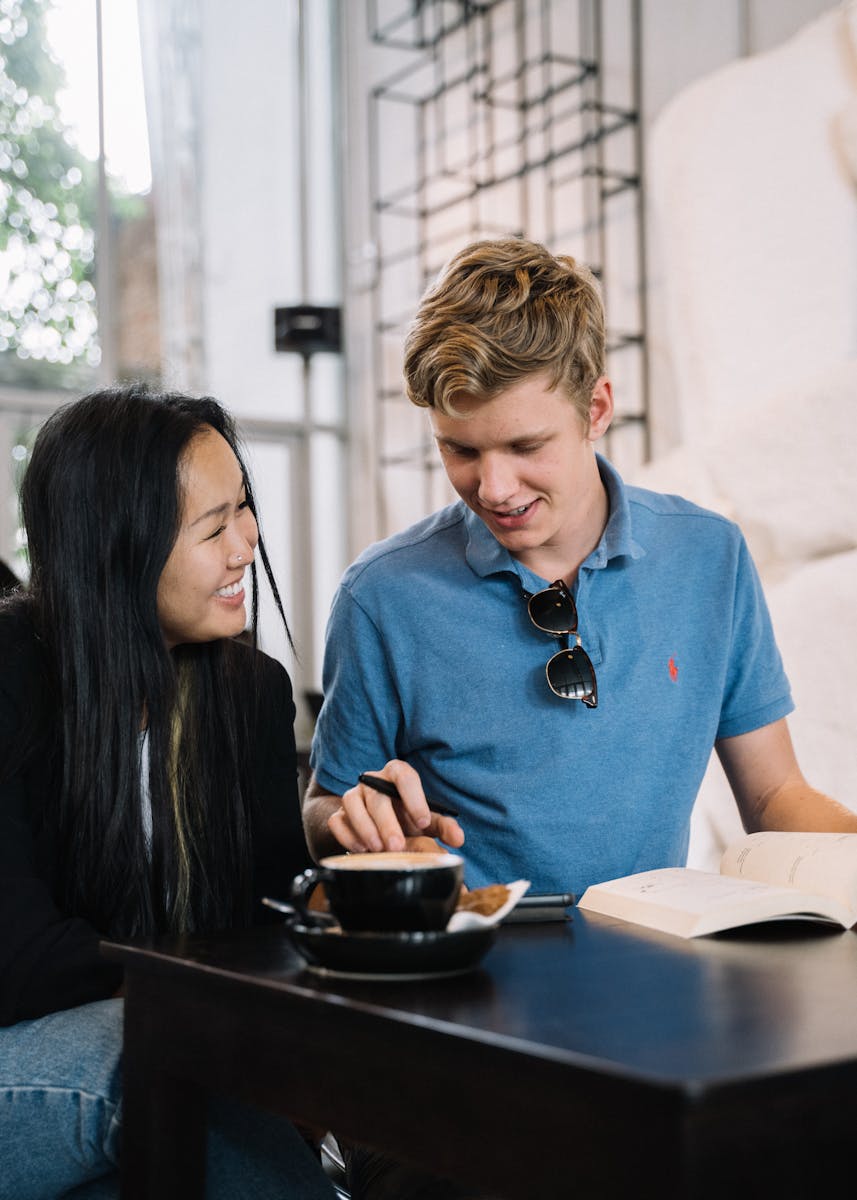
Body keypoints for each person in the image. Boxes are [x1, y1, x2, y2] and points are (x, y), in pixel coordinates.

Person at [303, 237, 857, 1199]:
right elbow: (323, 812)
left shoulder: (709, 558)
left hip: (659, 1005)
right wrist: (347, 821)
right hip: (457, 1023)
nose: (495, 488)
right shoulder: (382, 597)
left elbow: (773, 795)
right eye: (459, 450)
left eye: (525, 446)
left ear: (596, 407)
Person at [0, 385, 336, 1200]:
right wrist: (208, 998)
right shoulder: (9, 670)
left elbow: (263, 932)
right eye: (214, 526)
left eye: (245, 510)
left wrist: (356, 876)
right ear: (116, 545)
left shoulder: (250, 692)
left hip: (151, 1047)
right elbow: (15, 962)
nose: (247, 545)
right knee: (169, 1049)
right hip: (35, 1052)